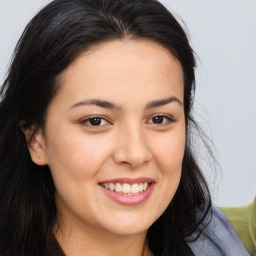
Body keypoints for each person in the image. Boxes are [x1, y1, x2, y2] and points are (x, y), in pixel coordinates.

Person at [0, 0, 251, 255]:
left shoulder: (223, 243)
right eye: (96, 121)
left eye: (159, 119)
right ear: (35, 140)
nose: (135, 154)